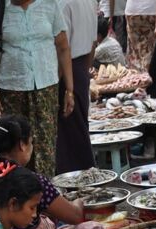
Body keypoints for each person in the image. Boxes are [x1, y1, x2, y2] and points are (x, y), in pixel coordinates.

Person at [0, 0, 75, 177]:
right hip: (12, 91)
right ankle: (20, 196)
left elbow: (63, 46)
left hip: (46, 90)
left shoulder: (49, 4)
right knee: (15, 147)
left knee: (45, 147)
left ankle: (45, 194)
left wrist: (69, 90)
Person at [56, 0, 98, 173]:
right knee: (78, 127)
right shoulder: (89, 2)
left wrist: (63, 85)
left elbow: (62, 47)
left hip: (66, 70)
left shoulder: (61, 4)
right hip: (80, 68)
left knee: (69, 132)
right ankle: (85, 173)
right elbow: (93, 43)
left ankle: (76, 176)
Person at [125, 0, 156, 71]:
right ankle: (146, 76)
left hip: (132, 10)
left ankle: (135, 77)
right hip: (151, 10)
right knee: (149, 49)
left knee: (134, 51)